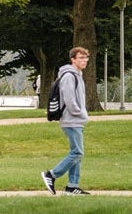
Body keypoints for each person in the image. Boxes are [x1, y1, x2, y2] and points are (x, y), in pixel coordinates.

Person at [41, 46, 91, 196]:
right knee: (77, 152)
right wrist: (79, 112)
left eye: (85, 58)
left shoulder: (77, 75)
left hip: (76, 120)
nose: (84, 60)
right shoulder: (69, 75)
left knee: (76, 153)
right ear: (73, 59)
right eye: (81, 58)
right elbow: (69, 99)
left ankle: (72, 186)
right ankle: (51, 174)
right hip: (71, 119)